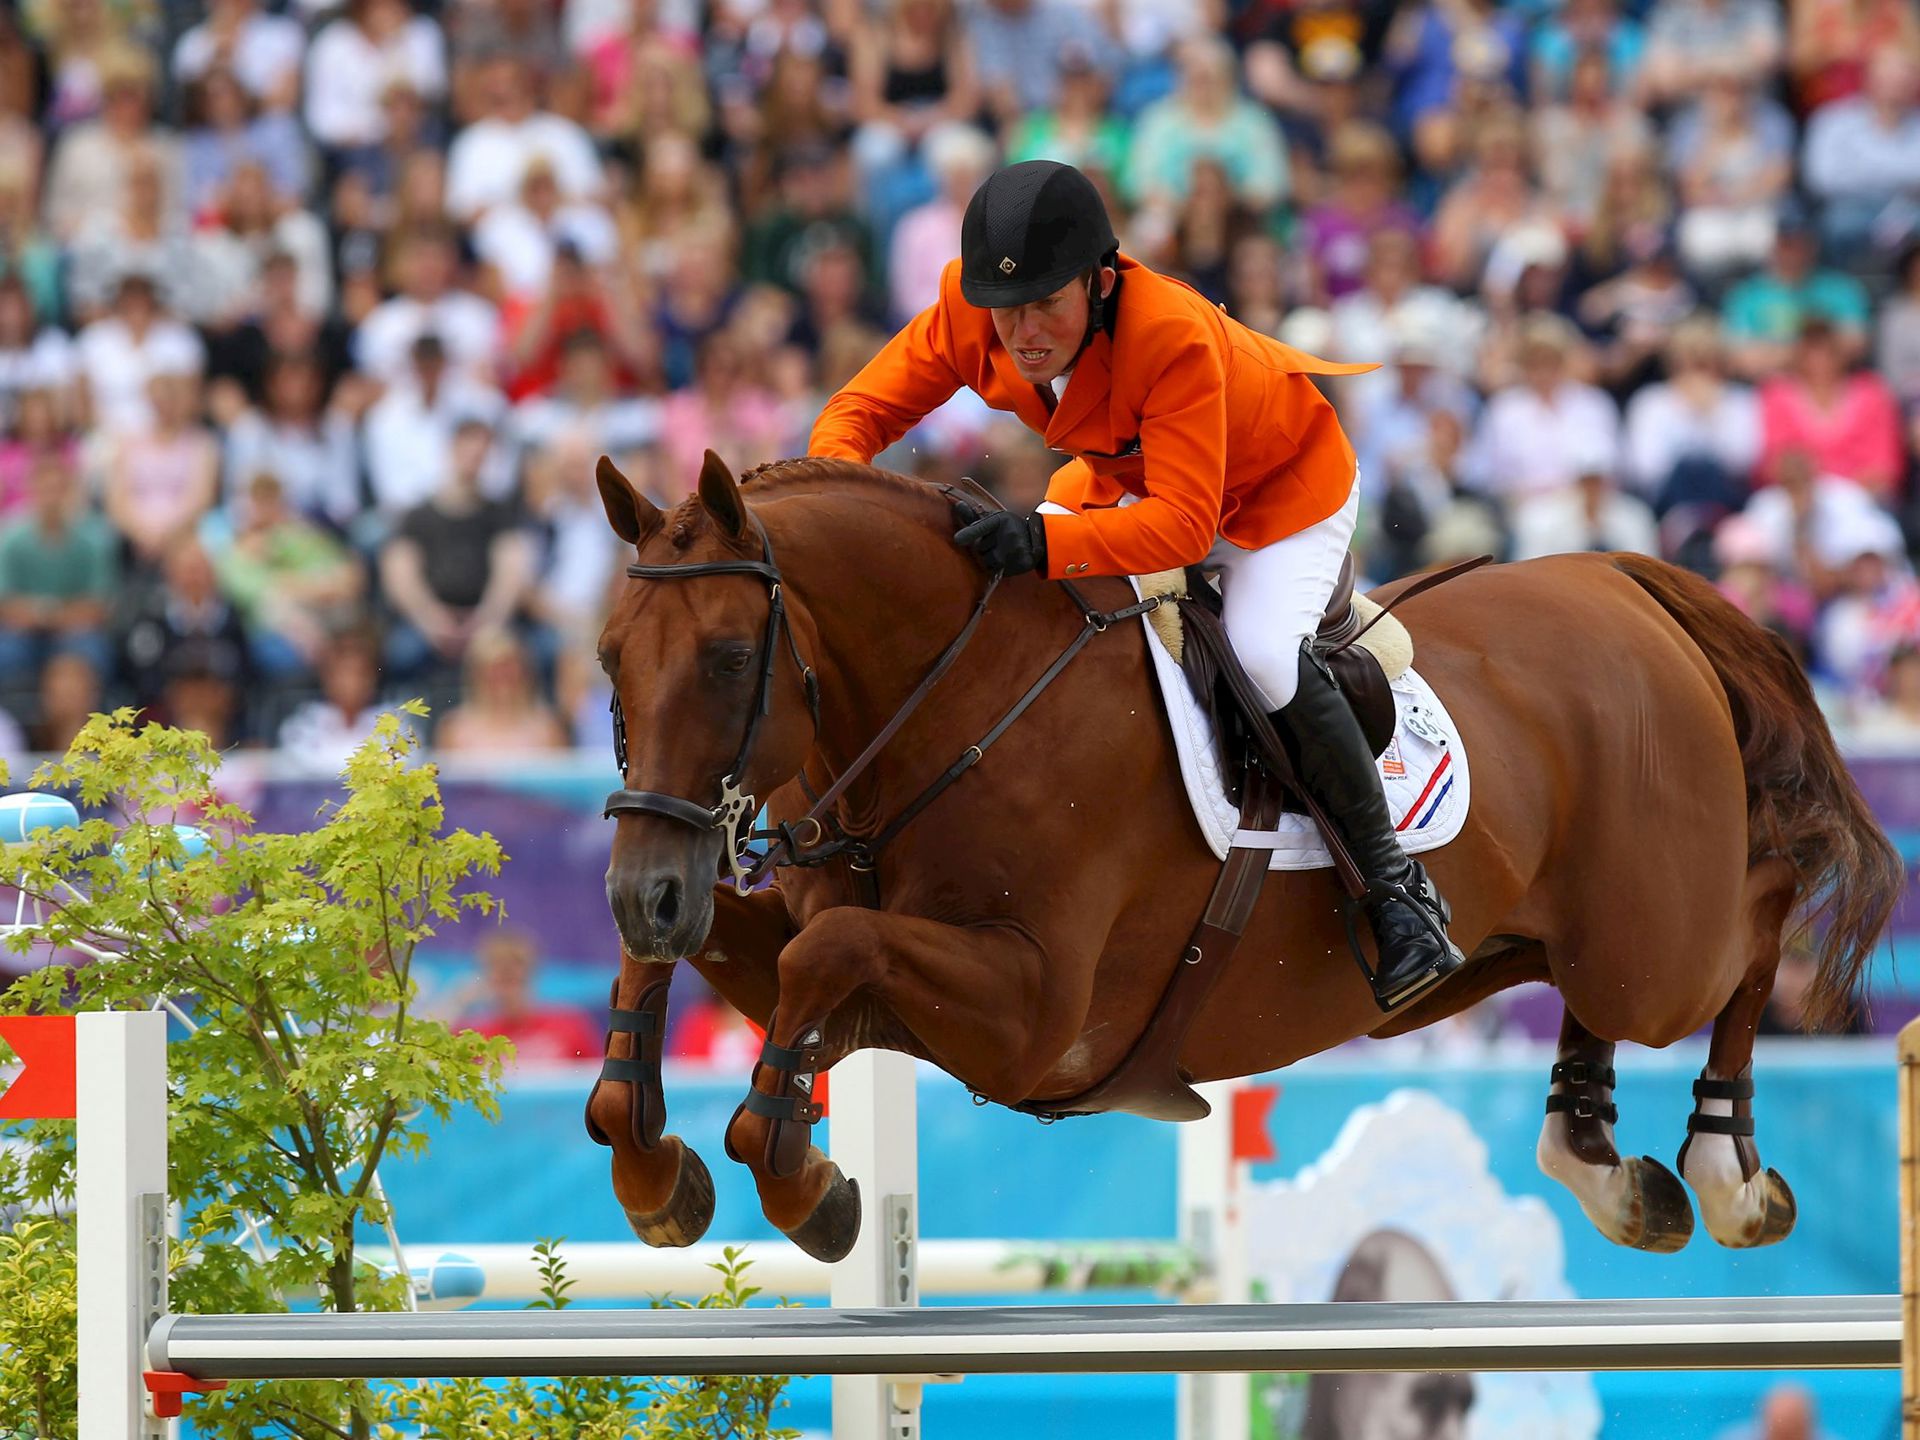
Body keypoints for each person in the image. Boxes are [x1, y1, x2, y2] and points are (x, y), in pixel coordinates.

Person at [807, 159, 1463, 1011]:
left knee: (1263, 654)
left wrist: (1045, 543)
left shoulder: (1170, 335)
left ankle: (1396, 888)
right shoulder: (973, 309)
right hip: (1128, 477)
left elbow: (1188, 532)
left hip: (1276, 496)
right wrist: (833, 511)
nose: (1025, 331)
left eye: (1048, 302)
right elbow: (856, 416)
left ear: (1102, 279)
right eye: (1008, 309)